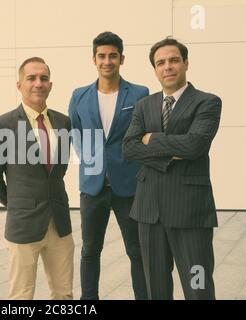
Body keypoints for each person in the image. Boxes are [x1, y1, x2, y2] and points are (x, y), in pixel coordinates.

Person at [123, 38, 222, 300]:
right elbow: (129, 148)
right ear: (155, 69)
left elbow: (194, 146)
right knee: (156, 291)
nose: (167, 67)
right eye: (161, 63)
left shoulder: (207, 102)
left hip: (190, 212)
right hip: (149, 212)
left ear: (186, 63)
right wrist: (170, 154)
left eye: (174, 60)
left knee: (198, 288)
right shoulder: (144, 105)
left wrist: (152, 139)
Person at [0, 57, 74, 300]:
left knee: (64, 295)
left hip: (59, 223)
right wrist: (17, 203)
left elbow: (59, 170)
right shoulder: (1, 125)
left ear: (50, 85)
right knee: (21, 296)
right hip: (23, 224)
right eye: (31, 78)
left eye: (43, 78)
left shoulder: (64, 122)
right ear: (19, 85)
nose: (38, 83)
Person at [68, 31, 148, 300]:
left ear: (122, 58)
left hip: (129, 185)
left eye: (113, 55)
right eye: (101, 56)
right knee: (90, 250)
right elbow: (76, 136)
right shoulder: (79, 96)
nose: (107, 61)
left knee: (137, 251)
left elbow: (143, 135)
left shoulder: (139, 93)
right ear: (93, 60)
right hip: (93, 186)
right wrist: (91, 163)